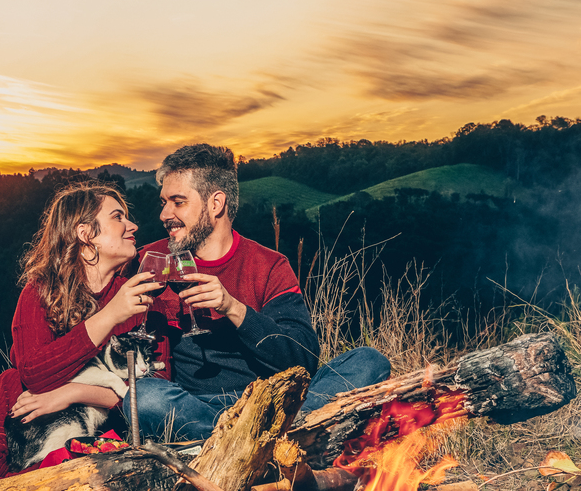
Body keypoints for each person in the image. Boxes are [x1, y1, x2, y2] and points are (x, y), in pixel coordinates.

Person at [128, 144, 391, 441]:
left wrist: (233, 309)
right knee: (145, 398)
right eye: (163, 202)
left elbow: (302, 358)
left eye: (178, 202)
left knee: (370, 362)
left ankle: (237, 442)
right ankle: (266, 442)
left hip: (272, 404)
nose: (165, 214)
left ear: (216, 204)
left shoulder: (268, 265)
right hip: (197, 407)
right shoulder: (152, 260)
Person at [0, 183, 163, 491]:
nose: (132, 225)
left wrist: (72, 392)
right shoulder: (41, 292)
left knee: (43, 488)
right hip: (14, 415)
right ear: (85, 234)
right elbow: (35, 376)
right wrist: (109, 315)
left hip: (82, 423)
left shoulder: (138, 297)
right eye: (118, 217)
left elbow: (150, 393)